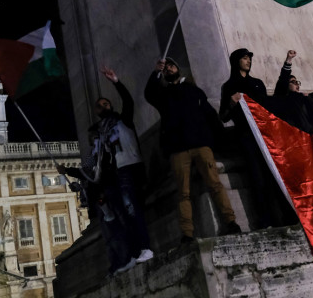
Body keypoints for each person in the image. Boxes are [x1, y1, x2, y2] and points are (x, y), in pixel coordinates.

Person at [145, 57, 240, 243]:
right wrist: (156, 72)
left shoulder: (194, 91)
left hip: (201, 145)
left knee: (215, 184)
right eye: (166, 68)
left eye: (172, 65)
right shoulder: (163, 95)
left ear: (179, 70)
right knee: (183, 193)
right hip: (178, 150)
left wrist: (220, 140)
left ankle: (231, 222)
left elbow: (210, 115)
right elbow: (149, 94)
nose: (169, 68)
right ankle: (187, 233)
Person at [220, 48, 295, 229]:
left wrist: (287, 64)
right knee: (257, 179)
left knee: (275, 175)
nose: (248, 61)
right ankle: (265, 220)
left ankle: (288, 217)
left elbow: (271, 105)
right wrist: (231, 103)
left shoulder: (257, 83)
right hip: (246, 137)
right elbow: (223, 116)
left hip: (266, 135)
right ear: (236, 61)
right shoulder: (229, 86)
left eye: (249, 58)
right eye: (244, 58)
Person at [92, 67, 152, 264]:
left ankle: (145, 248)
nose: (104, 106)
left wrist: (116, 82)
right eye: (100, 105)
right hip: (118, 172)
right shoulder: (100, 132)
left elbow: (128, 101)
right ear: (97, 111)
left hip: (131, 167)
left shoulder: (122, 120)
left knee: (132, 209)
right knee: (126, 214)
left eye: (106, 103)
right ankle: (135, 252)